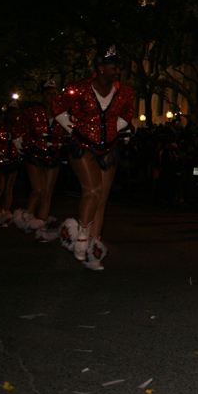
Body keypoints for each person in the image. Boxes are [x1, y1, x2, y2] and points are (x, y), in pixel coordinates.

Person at [53, 43, 135, 270]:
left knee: (102, 197)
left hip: (109, 148)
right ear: (100, 68)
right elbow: (58, 107)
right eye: (112, 67)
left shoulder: (126, 91)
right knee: (92, 190)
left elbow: (128, 114)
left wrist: (112, 129)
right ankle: (81, 237)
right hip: (82, 145)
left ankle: (92, 247)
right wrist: (73, 129)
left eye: (118, 68)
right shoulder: (78, 88)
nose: (117, 71)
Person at [11, 80, 68, 240]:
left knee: (48, 192)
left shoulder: (61, 113)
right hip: (34, 154)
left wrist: (60, 142)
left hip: (53, 155)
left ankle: (41, 224)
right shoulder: (32, 111)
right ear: (42, 95)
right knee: (38, 189)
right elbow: (17, 129)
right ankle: (26, 219)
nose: (52, 96)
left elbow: (68, 129)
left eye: (54, 94)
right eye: (48, 93)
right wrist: (19, 145)